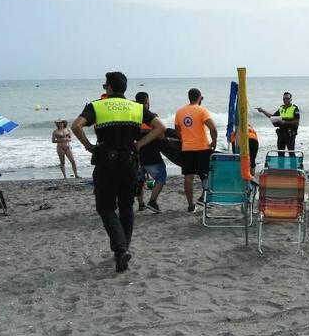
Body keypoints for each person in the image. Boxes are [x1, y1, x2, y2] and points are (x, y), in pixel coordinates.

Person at [72, 72, 165, 273]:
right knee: (126, 207)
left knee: (105, 208)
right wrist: (139, 144)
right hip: (130, 162)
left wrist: (89, 146)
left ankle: (121, 249)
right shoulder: (136, 107)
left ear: (109, 88)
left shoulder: (97, 105)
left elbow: (76, 126)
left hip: (106, 162)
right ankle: (123, 250)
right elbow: (160, 127)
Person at [175, 88, 217, 212]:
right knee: (207, 175)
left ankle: (190, 205)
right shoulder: (201, 110)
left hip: (187, 148)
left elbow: (178, 131)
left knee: (188, 176)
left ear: (189, 97)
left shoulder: (179, 112)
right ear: (199, 97)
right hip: (202, 147)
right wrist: (214, 141)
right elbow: (213, 129)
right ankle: (203, 197)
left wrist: (186, 139)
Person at [134, 92, 166, 213]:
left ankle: (141, 204)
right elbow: (161, 135)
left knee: (139, 180)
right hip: (151, 153)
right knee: (161, 176)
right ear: (147, 101)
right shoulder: (152, 117)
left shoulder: (133, 117)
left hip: (136, 154)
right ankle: (152, 201)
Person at [256, 91, 300, 156]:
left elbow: (297, 122)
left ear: (291, 99)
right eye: (284, 99)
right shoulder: (281, 108)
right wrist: (263, 111)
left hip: (290, 133)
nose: (285, 100)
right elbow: (273, 117)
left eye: (287, 98)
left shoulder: (294, 108)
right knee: (280, 152)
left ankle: (293, 166)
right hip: (281, 133)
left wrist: (285, 122)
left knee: (291, 152)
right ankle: (281, 166)